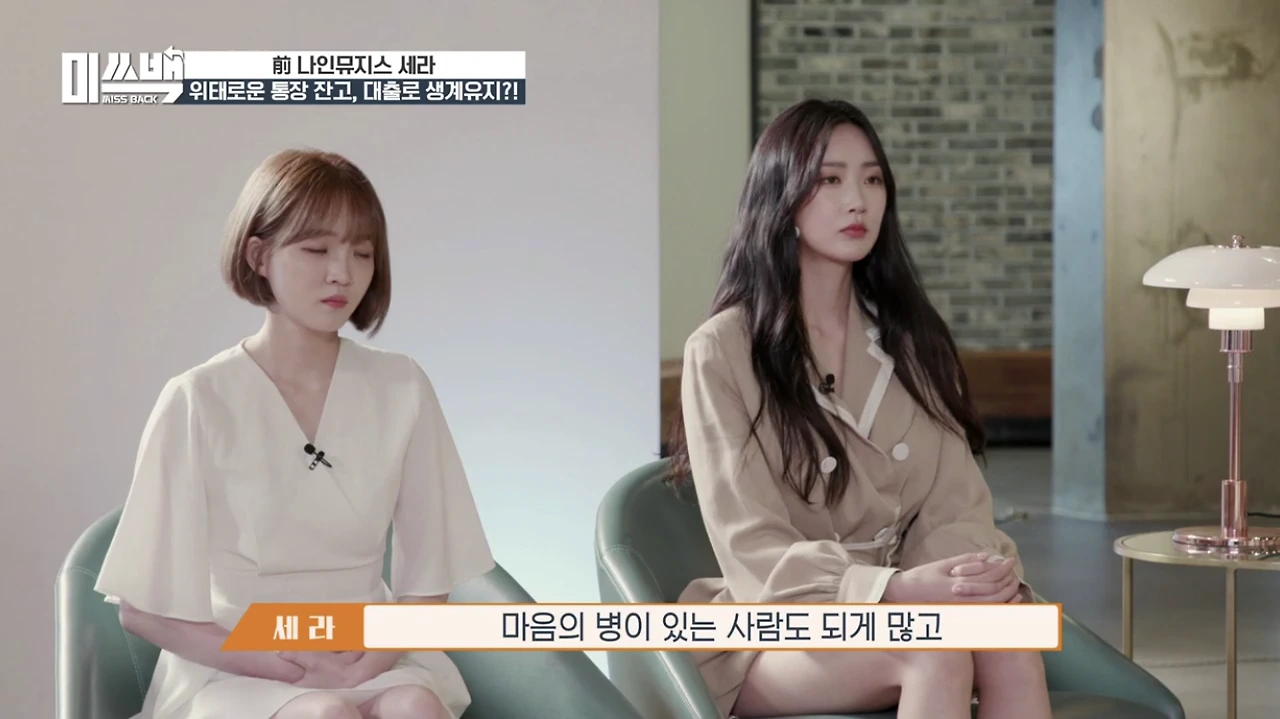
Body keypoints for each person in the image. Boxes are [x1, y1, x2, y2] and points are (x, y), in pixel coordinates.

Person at [664, 99, 1053, 719]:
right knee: (932, 652)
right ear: (782, 197)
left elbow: (955, 503)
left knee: (1010, 638)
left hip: (900, 604)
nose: (857, 201)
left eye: (872, 180)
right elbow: (753, 549)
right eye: (830, 179)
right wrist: (890, 592)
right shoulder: (721, 350)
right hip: (769, 625)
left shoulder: (911, 341)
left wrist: (962, 579)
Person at [94, 149, 496, 719]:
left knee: (414, 706)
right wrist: (281, 663)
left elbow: (431, 577)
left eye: (362, 253)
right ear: (259, 255)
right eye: (316, 249)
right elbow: (140, 609)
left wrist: (370, 659)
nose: (343, 273)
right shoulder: (197, 399)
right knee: (324, 713)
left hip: (368, 656)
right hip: (235, 667)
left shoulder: (402, 386)